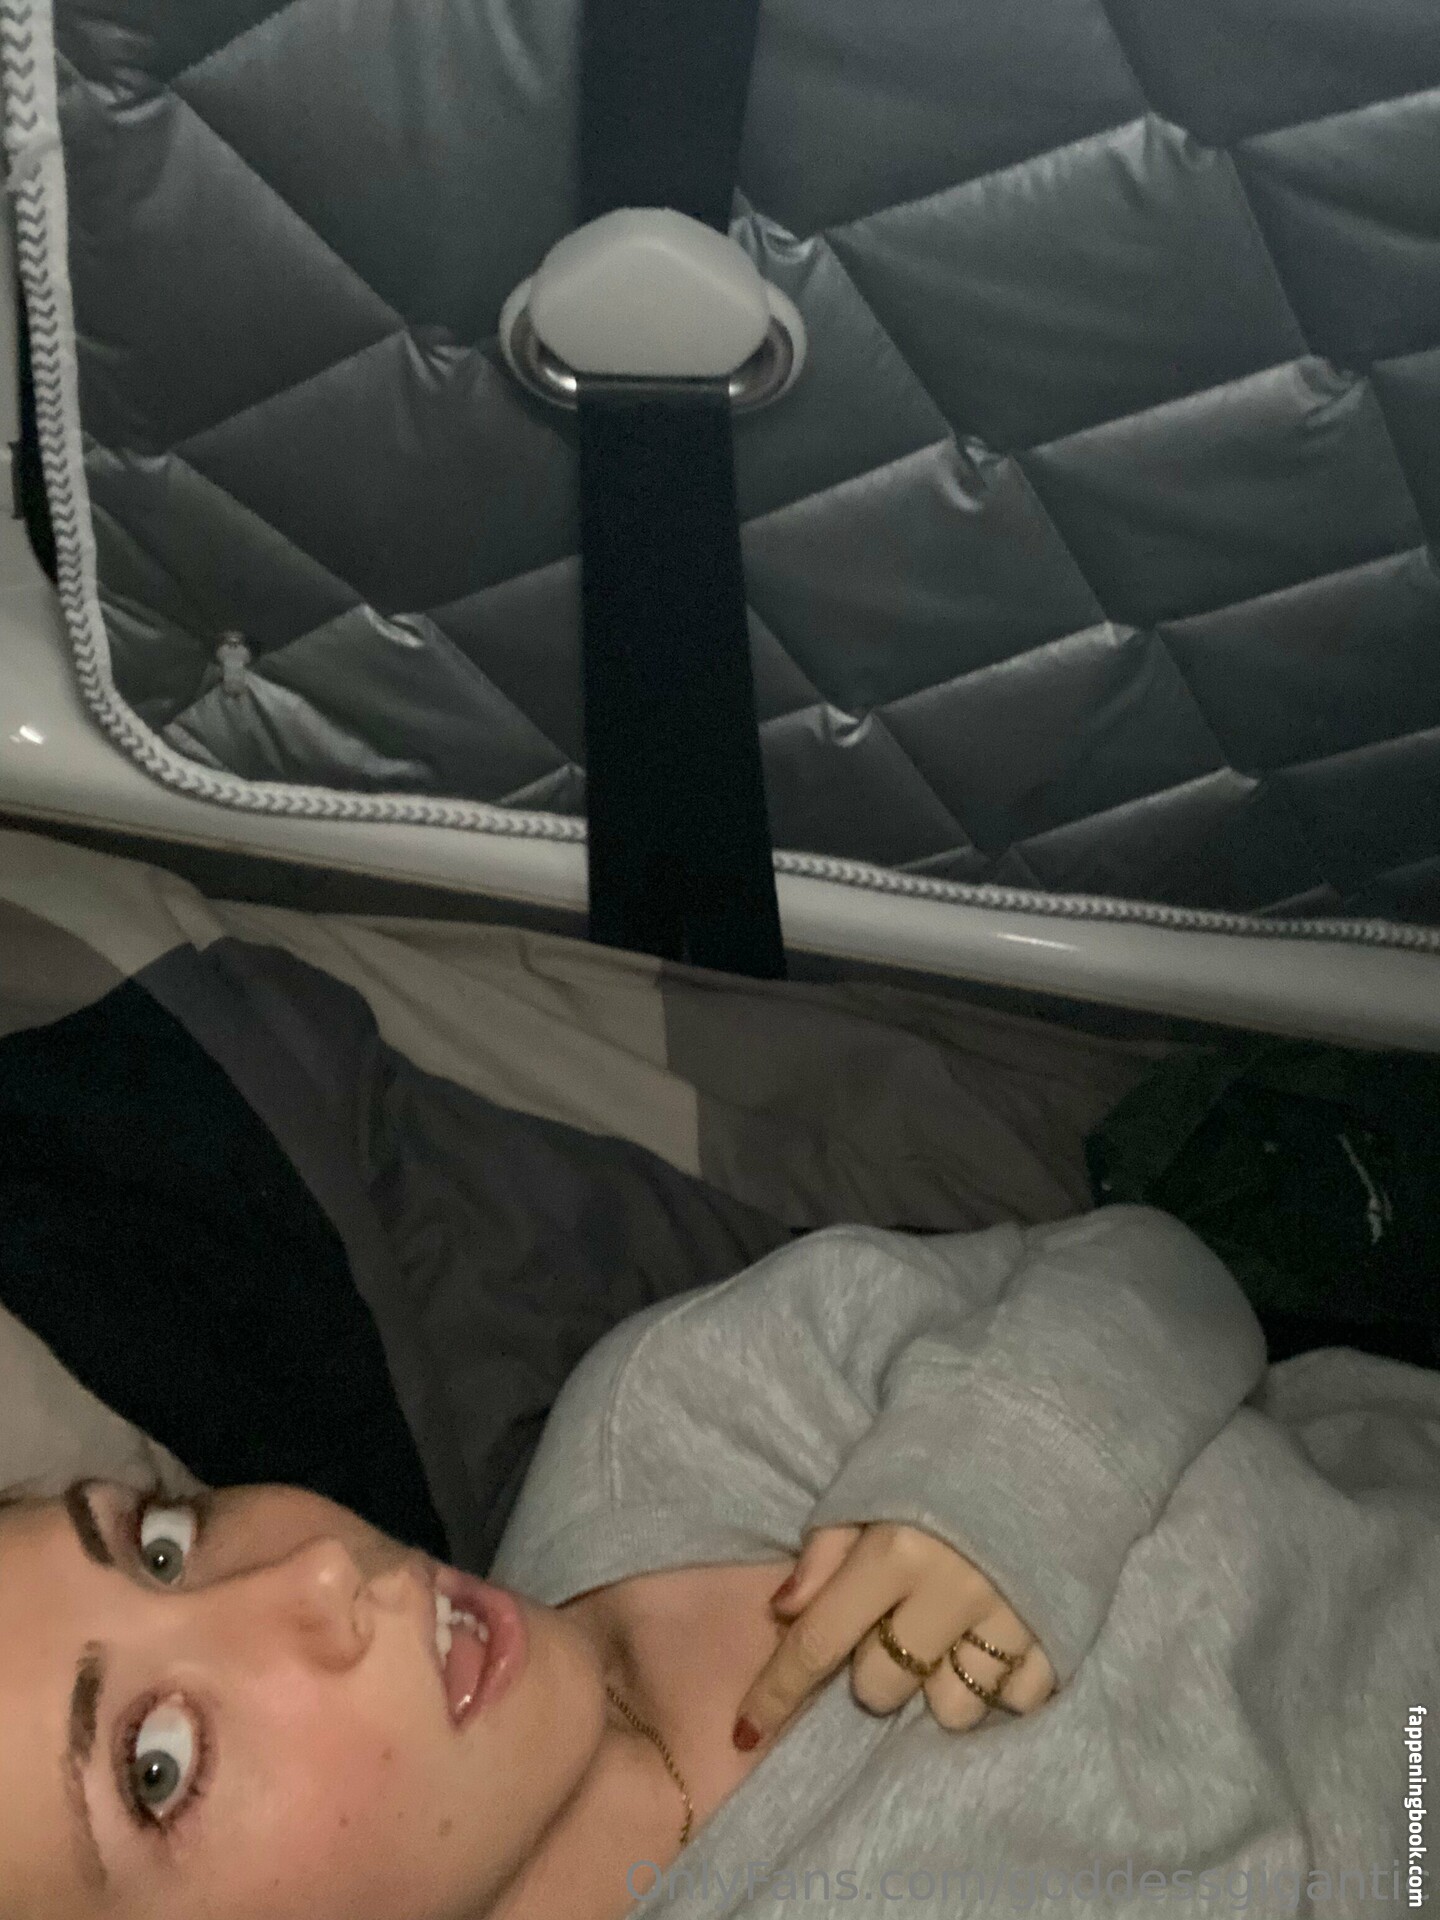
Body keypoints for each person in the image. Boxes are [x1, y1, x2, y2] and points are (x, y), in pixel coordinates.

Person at [1, 1206, 1435, 1920]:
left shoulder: (665, 1417)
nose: (318, 1576)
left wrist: (1015, 1463)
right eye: (156, 1765)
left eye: (162, 1546)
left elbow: (1160, 1270)